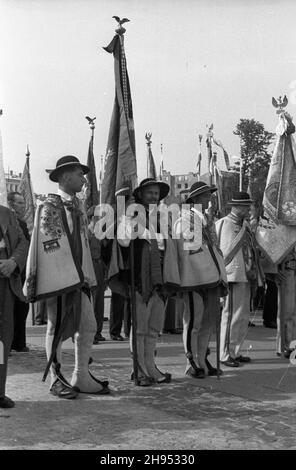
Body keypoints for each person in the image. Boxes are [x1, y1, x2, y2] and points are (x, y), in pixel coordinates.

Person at [23, 155, 110, 399]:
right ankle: (56, 378)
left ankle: (81, 375)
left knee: (88, 325)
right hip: (61, 277)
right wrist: (62, 275)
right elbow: (48, 245)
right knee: (58, 326)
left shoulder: (78, 206)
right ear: (65, 176)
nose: (84, 178)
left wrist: (86, 275)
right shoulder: (48, 206)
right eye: (79, 174)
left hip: (79, 278)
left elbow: (82, 241)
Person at [116, 178, 180, 386]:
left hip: (161, 278)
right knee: (141, 327)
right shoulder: (130, 214)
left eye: (156, 193)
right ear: (141, 195)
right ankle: (139, 368)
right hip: (139, 279)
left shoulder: (163, 217)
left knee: (153, 328)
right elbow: (122, 239)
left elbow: (169, 242)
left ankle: (151, 365)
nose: (153, 196)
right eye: (149, 192)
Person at [174, 181, 228, 378]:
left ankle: (202, 357)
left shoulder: (206, 219)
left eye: (209, 194)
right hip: (195, 278)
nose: (209, 198)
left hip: (212, 276)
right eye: (205, 195)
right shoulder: (185, 220)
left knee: (207, 322)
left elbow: (214, 247)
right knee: (193, 321)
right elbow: (190, 251)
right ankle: (191, 361)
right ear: (195, 198)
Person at [216, 192, 263, 367]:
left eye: (248, 205)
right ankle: (225, 353)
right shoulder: (223, 224)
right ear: (235, 206)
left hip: (246, 274)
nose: (247, 208)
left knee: (242, 316)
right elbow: (221, 252)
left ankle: (235, 351)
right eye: (244, 206)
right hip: (232, 275)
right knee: (230, 316)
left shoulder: (246, 226)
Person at [0, 204, 29, 408]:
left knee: (2, 338)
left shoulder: (7, 213)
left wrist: (13, 262)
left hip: (5, 281)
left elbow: (22, 242)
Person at [7, 192, 30, 352]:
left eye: (23, 203)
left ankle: (19, 343)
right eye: (19, 203)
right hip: (7, 273)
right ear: (11, 204)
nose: (23, 206)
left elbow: (25, 246)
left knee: (22, 308)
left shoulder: (21, 224)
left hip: (20, 272)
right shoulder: (8, 222)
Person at [87, 206, 106, 344]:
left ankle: (98, 331)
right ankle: (90, 332)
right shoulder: (87, 232)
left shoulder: (100, 232)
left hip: (100, 266)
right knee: (92, 301)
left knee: (99, 302)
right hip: (90, 266)